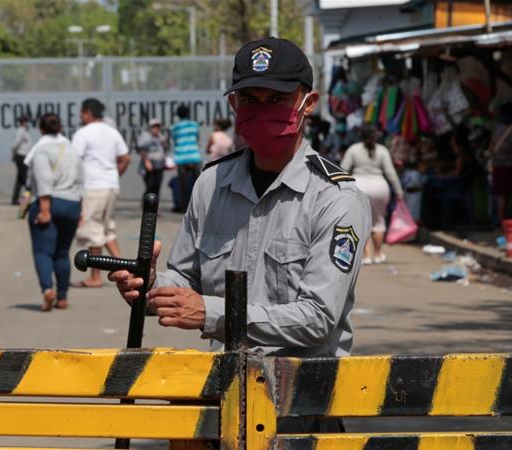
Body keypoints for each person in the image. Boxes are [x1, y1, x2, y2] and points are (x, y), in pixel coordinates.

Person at [109, 39, 371, 434]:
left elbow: (317, 319)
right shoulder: (211, 183)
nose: (262, 110)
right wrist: (149, 283)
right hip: (224, 403)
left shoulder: (336, 198)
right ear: (234, 105)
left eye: (277, 99)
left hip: (300, 413)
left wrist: (210, 313)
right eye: (250, 98)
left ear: (309, 102)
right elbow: (185, 280)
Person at [27, 113, 84, 311]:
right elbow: (81, 179)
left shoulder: (41, 150)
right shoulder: (71, 149)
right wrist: (80, 209)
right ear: (60, 128)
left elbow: (43, 180)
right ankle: (62, 297)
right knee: (62, 253)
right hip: (72, 204)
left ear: (41, 129)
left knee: (43, 252)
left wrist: (44, 210)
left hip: (50, 203)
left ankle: (47, 291)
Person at [72, 98, 130, 288]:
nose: (80, 116)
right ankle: (126, 269)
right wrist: (115, 174)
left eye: (82, 112)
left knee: (93, 231)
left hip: (94, 187)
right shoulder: (112, 132)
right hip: (111, 186)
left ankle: (95, 277)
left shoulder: (83, 133)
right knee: (107, 229)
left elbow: (74, 162)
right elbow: (125, 157)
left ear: (88, 112)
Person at [341, 124, 403, 265]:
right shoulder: (382, 151)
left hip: (358, 186)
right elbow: (390, 173)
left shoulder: (353, 149)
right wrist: (399, 191)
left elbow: (343, 169)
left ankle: (366, 255)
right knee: (379, 222)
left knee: (361, 222)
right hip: (380, 188)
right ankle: (378, 254)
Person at [488, 102, 512, 228]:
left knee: (501, 196)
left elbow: (492, 145)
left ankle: (502, 224)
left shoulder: (497, 127)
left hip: (499, 165)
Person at [171, 104, 202, 212]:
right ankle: (199, 207)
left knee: (183, 186)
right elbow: (197, 139)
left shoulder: (174, 127)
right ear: (188, 113)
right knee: (198, 184)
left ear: (178, 115)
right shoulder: (194, 125)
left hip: (181, 157)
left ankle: (184, 208)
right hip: (194, 157)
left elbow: (175, 142)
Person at [137, 118, 168, 197]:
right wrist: (146, 161)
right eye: (154, 127)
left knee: (157, 187)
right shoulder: (145, 136)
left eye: (158, 127)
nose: (156, 129)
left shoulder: (160, 136)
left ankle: (155, 205)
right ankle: (146, 204)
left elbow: (165, 147)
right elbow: (141, 149)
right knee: (150, 186)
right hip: (149, 166)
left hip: (159, 165)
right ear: (150, 127)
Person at [11, 115, 32, 205]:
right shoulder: (21, 131)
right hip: (21, 156)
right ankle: (26, 200)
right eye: (25, 121)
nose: (27, 123)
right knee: (25, 180)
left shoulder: (25, 131)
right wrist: (14, 155)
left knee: (20, 180)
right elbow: (15, 144)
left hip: (24, 156)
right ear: (23, 122)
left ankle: (15, 199)